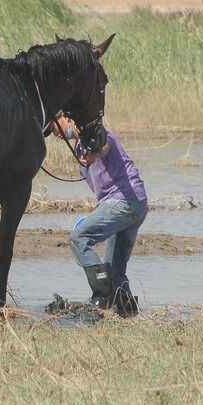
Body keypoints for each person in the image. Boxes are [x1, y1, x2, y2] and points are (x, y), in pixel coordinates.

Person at [54, 116, 147, 317]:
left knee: (78, 238)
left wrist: (92, 150)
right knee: (116, 270)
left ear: (68, 119)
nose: (54, 132)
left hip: (123, 201)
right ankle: (128, 312)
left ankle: (102, 296)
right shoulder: (82, 145)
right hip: (135, 203)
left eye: (55, 125)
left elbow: (103, 146)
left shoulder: (97, 136)